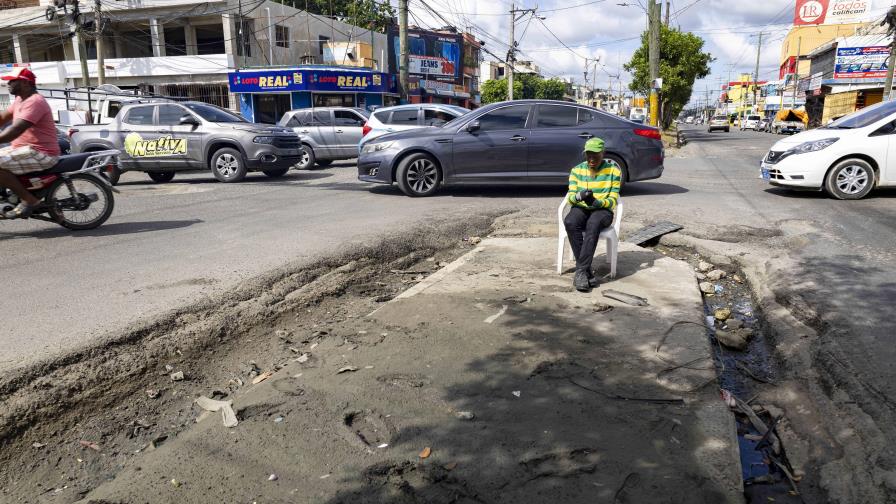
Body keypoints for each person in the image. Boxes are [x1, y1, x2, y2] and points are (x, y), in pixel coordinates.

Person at [0, 67, 61, 219]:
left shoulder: (35, 102)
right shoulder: (20, 99)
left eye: (13, 81)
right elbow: (2, 118)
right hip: (23, 150)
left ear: (26, 83)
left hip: (40, 153)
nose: (8, 84)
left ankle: (30, 200)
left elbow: (16, 129)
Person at [563, 137, 621, 292]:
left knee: (593, 223)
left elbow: (612, 200)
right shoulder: (577, 170)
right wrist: (580, 196)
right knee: (570, 222)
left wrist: (596, 202)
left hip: (602, 211)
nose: (591, 158)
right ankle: (586, 271)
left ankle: (580, 271)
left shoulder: (613, 171)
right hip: (581, 207)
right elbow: (570, 198)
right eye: (588, 154)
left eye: (595, 154)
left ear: (603, 153)